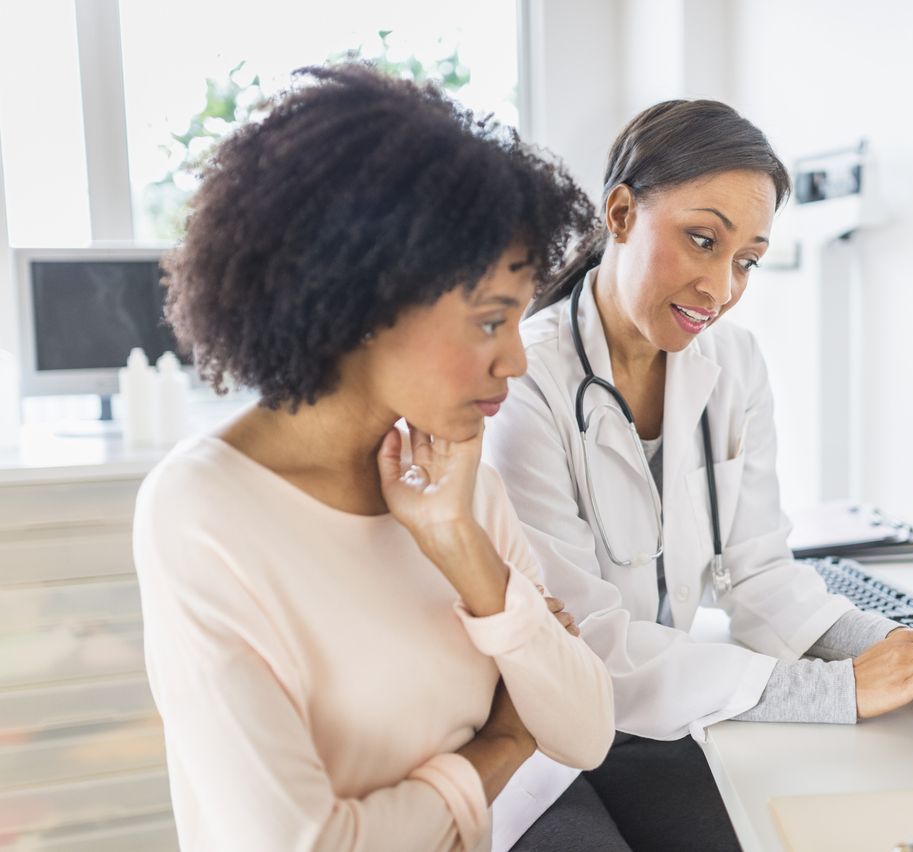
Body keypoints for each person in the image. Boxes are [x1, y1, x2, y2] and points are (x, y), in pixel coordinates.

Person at [484, 99, 913, 850]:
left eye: (747, 260)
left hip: (657, 719)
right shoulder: (523, 385)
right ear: (622, 213)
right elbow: (587, 649)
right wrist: (841, 689)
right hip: (536, 742)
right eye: (703, 240)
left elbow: (761, 575)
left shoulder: (734, 365)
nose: (721, 288)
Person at [133, 63, 614, 851]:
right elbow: (306, 843)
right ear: (360, 300)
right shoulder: (202, 511)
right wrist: (495, 749)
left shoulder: (455, 482)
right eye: (490, 321)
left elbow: (586, 729)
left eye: (519, 322)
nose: (517, 362)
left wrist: (459, 546)